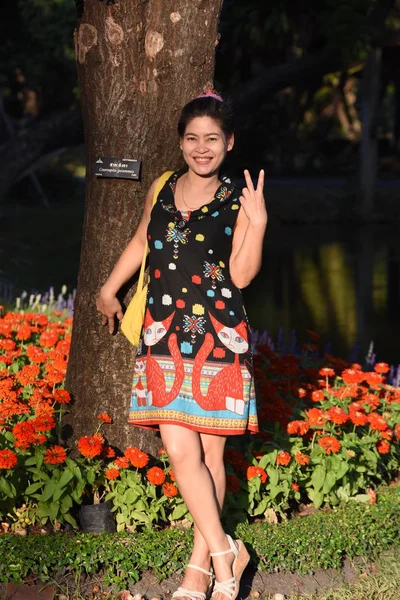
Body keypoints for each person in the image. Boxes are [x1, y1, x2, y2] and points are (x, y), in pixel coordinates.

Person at [96, 91, 267, 600]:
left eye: (212, 139)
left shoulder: (240, 197)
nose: (201, 147)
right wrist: (109, 287)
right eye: (192, 138)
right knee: (178, 449)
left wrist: (256, 226)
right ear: (181, 142)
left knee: (211, 455)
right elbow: (143, 237)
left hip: (219, 337)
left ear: (228, 143)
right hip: (163, 332)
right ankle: (225, 550)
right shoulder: (164, 186)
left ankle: (200, 568)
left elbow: (240, 274)